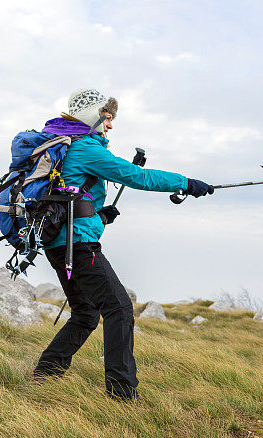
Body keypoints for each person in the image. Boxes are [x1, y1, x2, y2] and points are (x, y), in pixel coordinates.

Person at [31, 88, 214, 401]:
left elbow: (72, 199)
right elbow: (136, 176)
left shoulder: (64, 145)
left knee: (86, 314)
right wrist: (185, 183)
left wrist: (100, 216)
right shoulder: (86, 148)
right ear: (94, 115)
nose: (110, 126)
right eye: (108, 118)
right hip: (78, 248)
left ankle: (46, 374)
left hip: (59, 244)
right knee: (119, 309)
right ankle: (121, 394)